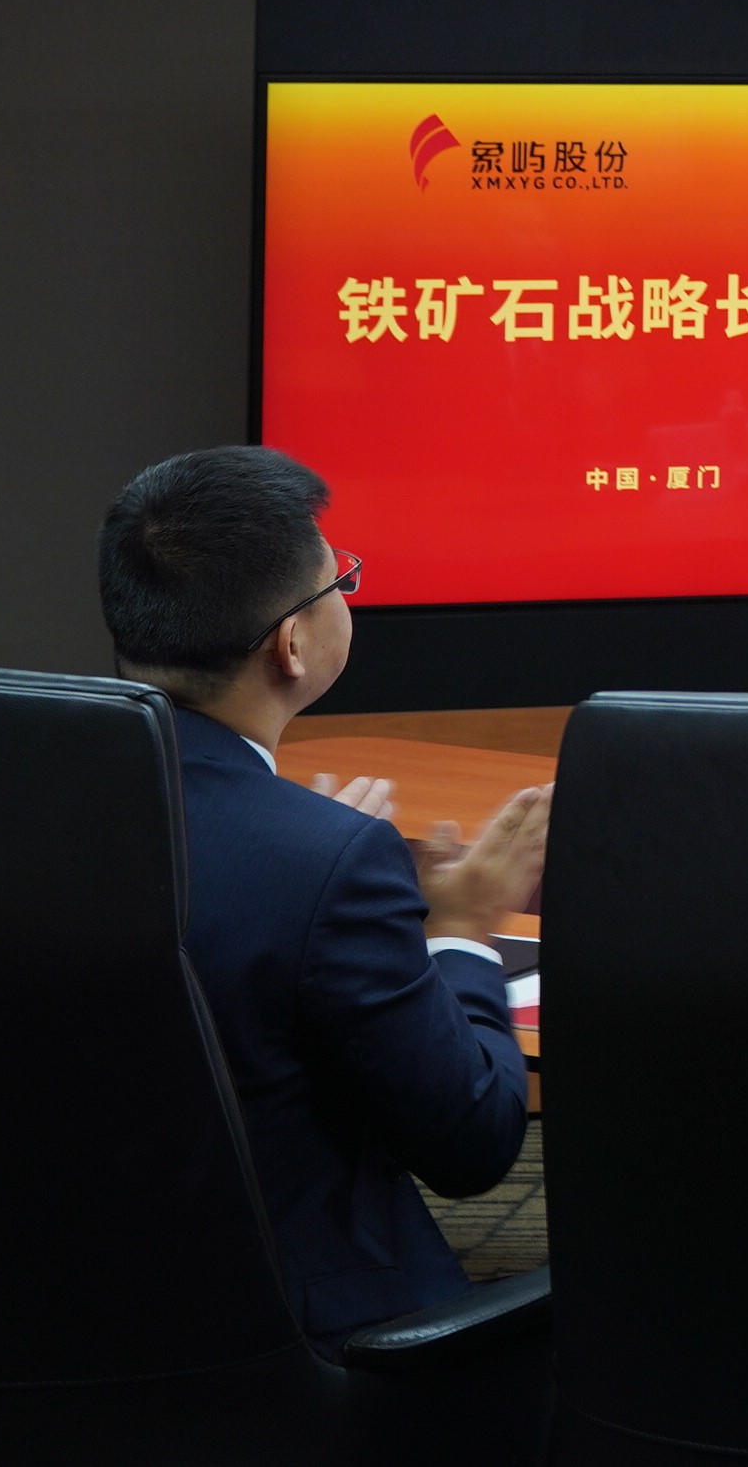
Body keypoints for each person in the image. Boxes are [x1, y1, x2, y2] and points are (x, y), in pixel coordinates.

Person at [95, 446, 543, 1342]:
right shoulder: (329, 863)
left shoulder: (11, 805)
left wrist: (310, 856)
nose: (348, 593)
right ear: (291, 645)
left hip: (43, 1302)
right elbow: (471, 1145)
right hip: (287, 1344)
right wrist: (460, 929)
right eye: (340, 580)